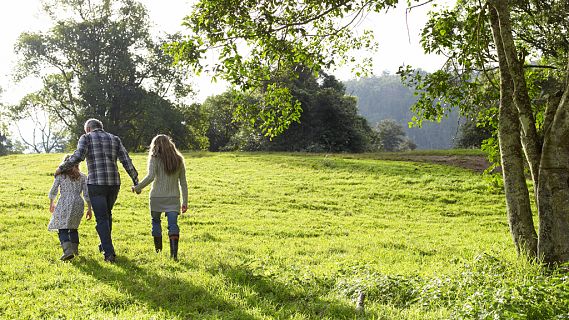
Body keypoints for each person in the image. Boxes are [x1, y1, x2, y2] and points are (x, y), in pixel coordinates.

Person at [55, 118, 138, 263]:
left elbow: (78, 156)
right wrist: (135, 180)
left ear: (88, 129)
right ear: (101, 127)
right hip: (113, 183)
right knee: (107, 214)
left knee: (102, 218)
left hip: (96, 183)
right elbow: (126, 160)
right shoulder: (115, 139)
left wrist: (62, 168)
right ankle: (104, 244)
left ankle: (109, 252)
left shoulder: (86, 138)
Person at [133, 134, 188, 261]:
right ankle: (173, 255)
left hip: (156, 197)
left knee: (156, 222)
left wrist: (137, 188)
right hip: (173, 198)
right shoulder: (179, 159)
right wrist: (185, 201)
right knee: (173, 225)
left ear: (155, 145)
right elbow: (183, 183)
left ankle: (158, 252)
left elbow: (151, 177)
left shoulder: (154, 158)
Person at [48, 155, 93, 261]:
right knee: (73, 227)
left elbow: (54, 190)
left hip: (64, 202)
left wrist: (51, 202)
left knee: (62, 227)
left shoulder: (61, 176)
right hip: (78, 202)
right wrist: (89, 209)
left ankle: (68, 252)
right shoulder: (83, 176)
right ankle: (75, 251)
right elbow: (86, 194)